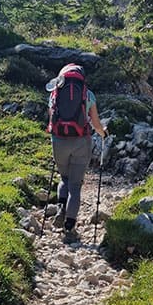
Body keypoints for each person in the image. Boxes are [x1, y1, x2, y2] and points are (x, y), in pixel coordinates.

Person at [45, 63, 107, 243]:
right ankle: (70, 227)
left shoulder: (54, 93)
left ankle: (60, 208)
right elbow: (95, 124)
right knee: (75, 185)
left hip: (59, 142)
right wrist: (104, 133)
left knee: (63, 178)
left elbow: (51, 120)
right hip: (81, 142)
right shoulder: (88, 94)